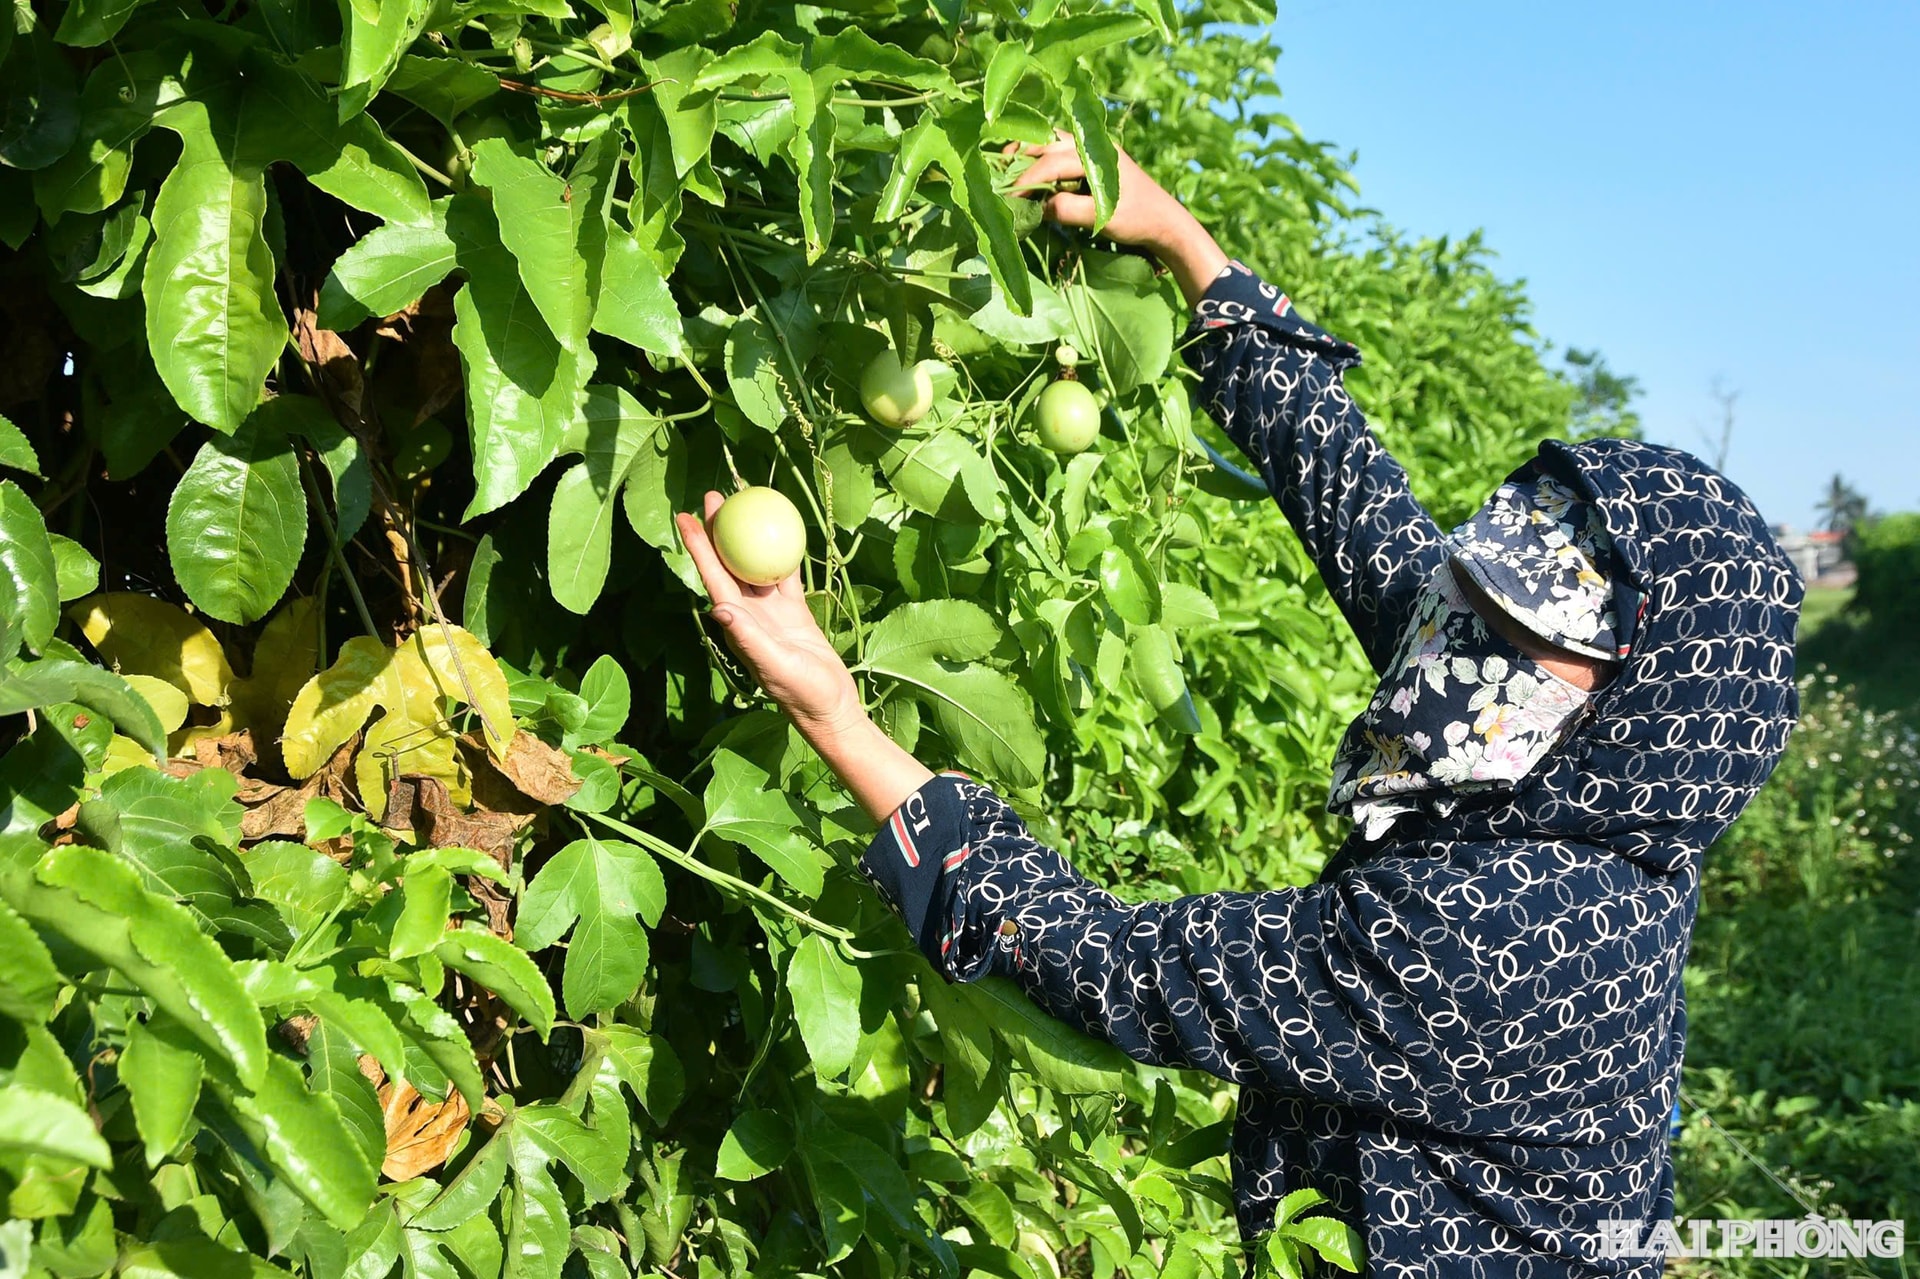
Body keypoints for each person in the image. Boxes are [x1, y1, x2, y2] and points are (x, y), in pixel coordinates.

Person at [673, 135, 1803, 1277]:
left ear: (1646, 703)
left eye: (1535, 627)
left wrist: (835, 715)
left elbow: (1114, 962)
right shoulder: (1592, 778)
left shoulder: (1510, 934)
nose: (1475, 632)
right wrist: (1181, 241)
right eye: (1483, 583)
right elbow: (1352, 498)